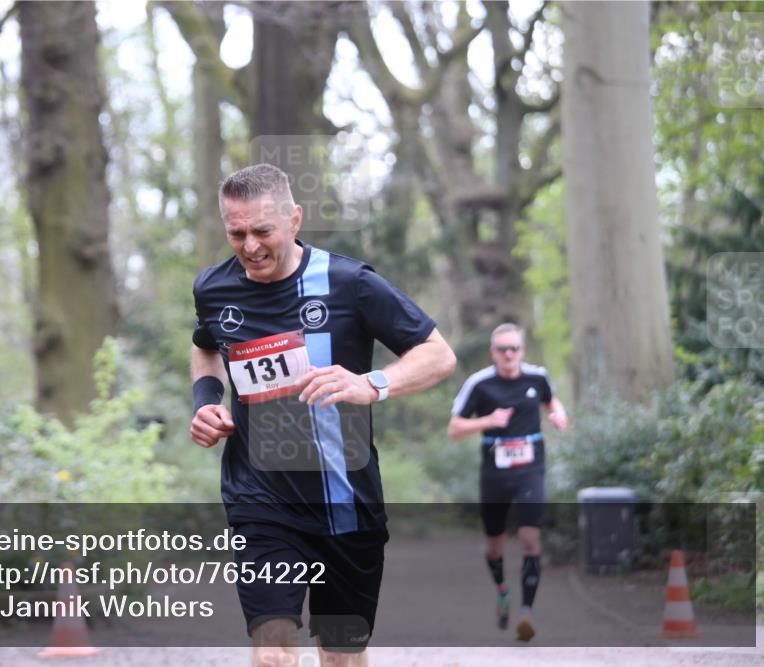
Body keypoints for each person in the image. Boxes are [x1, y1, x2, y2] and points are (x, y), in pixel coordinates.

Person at [190, 163, 456, 666]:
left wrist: (371, 384)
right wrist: (206, 400)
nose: (249, 247)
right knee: (273, 649)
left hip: (346, 502)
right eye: (236, 233)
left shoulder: (350, 283)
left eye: (262, 231)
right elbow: (205, 347)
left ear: (294, 220)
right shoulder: (214, 289)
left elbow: (437, 354)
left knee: (340, 656)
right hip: (260, 499)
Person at [447, 323, 569, 642]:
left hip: (531, 469)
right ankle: (503, 590)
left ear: (522, 351)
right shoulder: (480, 384)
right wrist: (489, 421)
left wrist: (558, 415)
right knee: (494, 545)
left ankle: (527, 613)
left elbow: (552, 401)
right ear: (493, 353)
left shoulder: (537, 377)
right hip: (495, 473)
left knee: (530, 539)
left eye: (514, 348)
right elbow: (454, 428)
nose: (509, 355)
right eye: (502, 349)